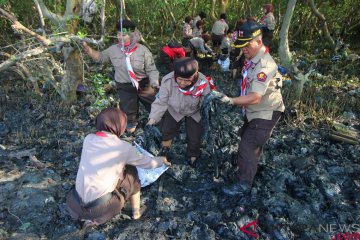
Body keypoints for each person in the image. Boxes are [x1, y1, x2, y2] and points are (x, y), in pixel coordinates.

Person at [66, 107, 170, 226]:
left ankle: (86, 218)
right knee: (132, 172)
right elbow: (149, 163)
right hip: (101, 209)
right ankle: (136, 213)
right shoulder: (123, 147)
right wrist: (162, 160)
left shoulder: (88, 139)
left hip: (74, 205)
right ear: (120, 126)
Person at [220, 21, 285, 195]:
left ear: (259, 41)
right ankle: (250, 166)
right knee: (248, 140)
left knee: (247, 147)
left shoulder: (264, 65)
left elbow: (256, 97)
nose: (244, 50)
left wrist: (231, 101)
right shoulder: (253, 59)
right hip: (254, 111)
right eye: (241, 46)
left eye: (246, 45)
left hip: (265, 111)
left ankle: (243, 184)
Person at [82, 20, 159, 134]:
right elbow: (101, 57)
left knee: (156, 107)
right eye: (118, 34)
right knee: (129, 115)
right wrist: (89, 50)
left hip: (143, 84)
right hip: (125, 87)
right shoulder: (113, 49)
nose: (120, 38)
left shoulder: (143, 50)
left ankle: (159, 126)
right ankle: (132, 132)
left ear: (132, 34)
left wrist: (155, 83)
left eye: (124, 35)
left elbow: (151, 69)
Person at [147, 58, 213, 167]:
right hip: (174, 109)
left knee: (195, 137)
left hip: (194, 111)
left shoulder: (203, 83)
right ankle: (165, 152)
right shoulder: (167, 80)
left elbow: (205, 104)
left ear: (195, 74)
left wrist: (208, 120)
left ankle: (192, 156)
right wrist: (152, 119)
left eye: (187, 80)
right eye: (180, 79)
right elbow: (161, 102)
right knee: (166, 131)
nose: (182, 83)